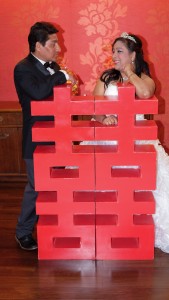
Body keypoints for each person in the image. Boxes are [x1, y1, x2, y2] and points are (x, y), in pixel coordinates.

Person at [82, 32, 169, 254]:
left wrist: (129, 72)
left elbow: (146, 92)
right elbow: (94, 107)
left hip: (136, 137)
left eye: (119, 51)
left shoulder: (144, 77)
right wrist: (104, 118)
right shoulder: (106, 77)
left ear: (133, 55)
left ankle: (136, 225)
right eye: (113, 51)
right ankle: (107, 226)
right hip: (108, 136)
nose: (114, 56)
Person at [14, 21, 74, 250]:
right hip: (35, 137)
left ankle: (52, 226)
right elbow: (38, 93)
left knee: (55, 184)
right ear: (38, 45)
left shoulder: (51, 66)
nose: (58, 48)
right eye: (53, 43)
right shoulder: (23, 68)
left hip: (56, 135)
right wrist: (60, 76)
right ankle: (23, 232)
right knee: (37, 185)